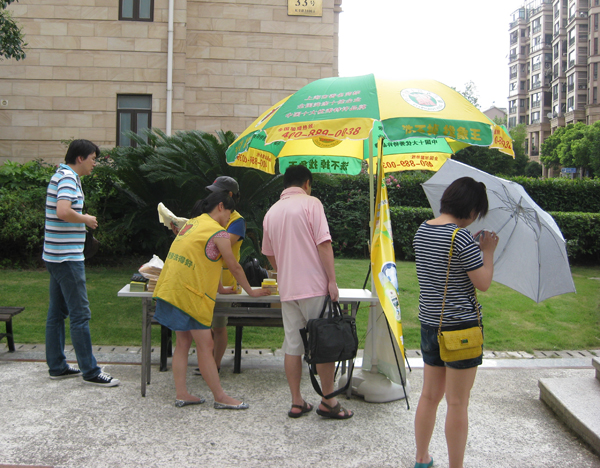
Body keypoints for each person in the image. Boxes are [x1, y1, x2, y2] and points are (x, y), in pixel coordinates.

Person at [152, 191, 271, 409]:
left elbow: (204, 259)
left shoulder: (192, 224)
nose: (229, 218)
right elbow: (233, 266)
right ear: (220, 206)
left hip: (171, 288)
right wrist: (251, 292)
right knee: (206, 345)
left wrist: (221, 289)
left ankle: (182, 394)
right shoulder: (218, 232)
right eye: (229, 213)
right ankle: (220, 397)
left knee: (183, 342)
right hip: (190, 294)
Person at [412, 177, 499, 468]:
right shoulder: (461, 238)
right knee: (457, 402)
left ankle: (422, 458)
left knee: (429, 396)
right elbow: (483, 282)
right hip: (460, 329)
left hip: (430, 325)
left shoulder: (423, 230)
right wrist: (487, 252)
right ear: (471, 209)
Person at [262, 165, 353, 420]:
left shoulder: (271, 212)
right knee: (323, 343)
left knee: (293, 345)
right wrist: (332, 280)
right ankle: (329, 401)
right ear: (307, 184)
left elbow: (268, 253)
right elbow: (324, 244)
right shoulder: (312, 204)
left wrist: (283, 271)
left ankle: (296, 402)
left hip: (288, 289)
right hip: (314, 287)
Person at [43, 139, 120, 387]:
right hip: (67, 258)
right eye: (93, 159)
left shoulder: (61, 175)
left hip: (55, 255)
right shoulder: (68, 178)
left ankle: (57, 366)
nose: (94, 164)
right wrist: (85, 219)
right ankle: (91, 371)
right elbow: (63, 211)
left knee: (57, 313)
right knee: (80, 314)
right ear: (80, 158)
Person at [194, 176, 245, 374]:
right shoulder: (210, 216)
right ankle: (207, 363)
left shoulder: (237, 221)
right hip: (206, 278)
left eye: (217, 193)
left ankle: (214, 365)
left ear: (229, 196)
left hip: (225, 280)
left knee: (219, 326)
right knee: (204, 325)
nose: (212, 197)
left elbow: (217, 245)